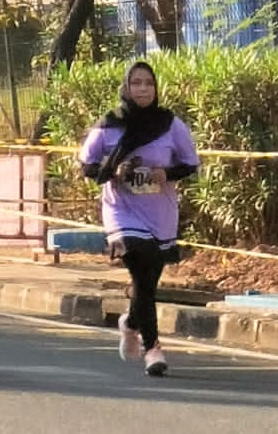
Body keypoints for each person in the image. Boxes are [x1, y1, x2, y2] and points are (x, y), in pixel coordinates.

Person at [80, 61, 199, 377]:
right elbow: (88, 166)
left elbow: (190, 164)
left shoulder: (170, 124)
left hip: (160, 213)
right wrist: (114, 170)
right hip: (122, 211)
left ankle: (130, 322)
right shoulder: (109, 125)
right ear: (126, 87)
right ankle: (154, 349)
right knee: (139, 260)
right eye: (136, 83)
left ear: (156, 88)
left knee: (147, 283)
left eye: (148, 83)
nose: (143, 89)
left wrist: (166, 173)